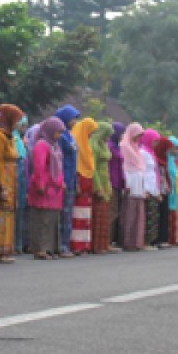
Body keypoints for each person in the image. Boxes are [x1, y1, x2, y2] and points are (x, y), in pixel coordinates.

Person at [27, 117, 66, 260]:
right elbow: (39, 167)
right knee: (41, 219)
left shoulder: (55, 145)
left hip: (55, 190)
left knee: (52, 220)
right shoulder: (42, 145)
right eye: (58, 132)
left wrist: (61, 182)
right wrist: (41, 184)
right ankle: (40, 249)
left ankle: (50, 248)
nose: (59, 135)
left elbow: (59, 167)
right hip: (43, 188)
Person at [0, 104, 24, 262]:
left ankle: (6, 249)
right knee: (0, 214)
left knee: (9, 214)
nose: (18, 123)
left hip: (12, 181)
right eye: (16, 120)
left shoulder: (10, 136)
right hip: (3, 180)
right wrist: (1, 185)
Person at [54, 105, 81, 257]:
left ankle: (66, 243)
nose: (74, 121)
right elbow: (59, 159)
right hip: (62, 177)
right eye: (72, 118)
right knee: (61, 213)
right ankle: (60, 245)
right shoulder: (61, 137)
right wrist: (61, 178)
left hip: (71, 177)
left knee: (68, 213)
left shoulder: (70, 136)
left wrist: (75, 181)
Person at [69, 116, 98, 254]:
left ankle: (85, 244)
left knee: (86, 214)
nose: (91, 134)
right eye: (90, 131)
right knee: (78, 214)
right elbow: (75, 165)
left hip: (87, 182)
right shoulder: (76, 142)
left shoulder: (87, 144)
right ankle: (77, 245)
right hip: (80, 181)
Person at [120, 123, 147, 251]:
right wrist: (127, 183)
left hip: (139, 183)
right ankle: (127, 241)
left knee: (138, 213)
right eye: (137, 135)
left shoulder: (136, 148)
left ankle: (137, 241)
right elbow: (124, 165)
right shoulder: (124, 146)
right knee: (129, 212)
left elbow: (141, 166)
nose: (138, 138)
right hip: (130, 182)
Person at [90, 121, 115, 253]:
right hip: (98, 180)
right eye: (107, 135)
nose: (108, 138)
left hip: (106, 180)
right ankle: (96, 245)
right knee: (97, 214)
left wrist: (108, 186)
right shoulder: (94, 145)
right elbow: (93, 168)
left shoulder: (104, 146)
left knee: (105, 215)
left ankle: (104, 244)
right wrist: (97, 187)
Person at [139, 128, 163, 250]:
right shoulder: (142, 152)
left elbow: (155, 173)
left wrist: (157, 191)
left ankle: (150, 241)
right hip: (147, 187)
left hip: (153, 187)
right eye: (154, 141)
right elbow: (142, 171)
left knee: (153, 216)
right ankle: (145, 241)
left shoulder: (151, 153)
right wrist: (144, 188)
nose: (155, 144)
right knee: (147, 216)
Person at [108, 122, 126, 250]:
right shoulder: (109, 146)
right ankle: (107, 241)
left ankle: (112, 239)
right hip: (111, 181)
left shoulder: (117, 146)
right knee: (112, 211)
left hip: (119, 181)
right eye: (121, 133)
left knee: (116, 211)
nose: (122, 136)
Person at [14, 115, 30, 254]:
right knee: (15, 211)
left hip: (23, 179)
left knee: (21, 211)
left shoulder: (20, 139)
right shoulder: (12, 138)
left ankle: (18, 244)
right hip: (14, 178)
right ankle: (14, 244)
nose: (24, 128)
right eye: (22, 125)